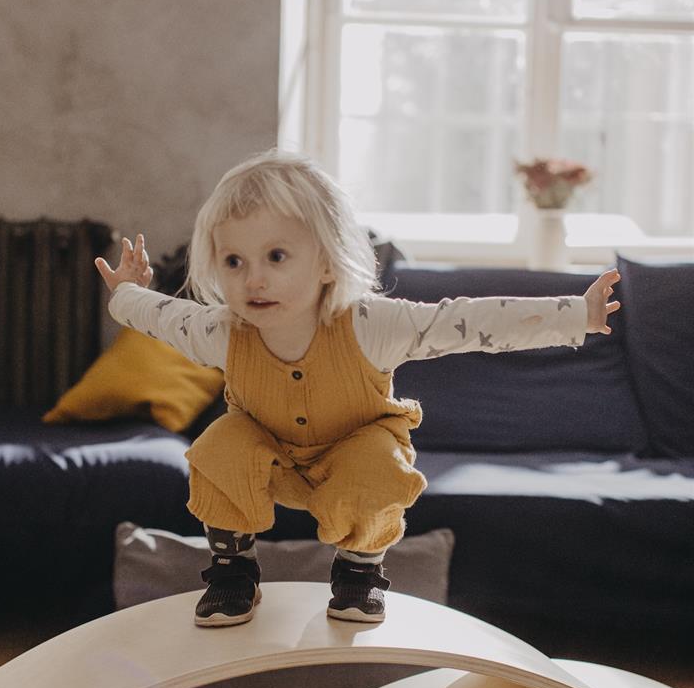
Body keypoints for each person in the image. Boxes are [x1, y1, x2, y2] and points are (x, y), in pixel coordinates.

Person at [95, 149, 620, 628]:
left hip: (355, 447)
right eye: (234, 262)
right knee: (218, 446)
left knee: (378, 468)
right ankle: (233, 571)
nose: (253, 280)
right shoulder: (223, 331)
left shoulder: (371, 324)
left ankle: (360, 571)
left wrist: (577, 314)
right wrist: (127, 295)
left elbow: (470, 321)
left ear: (326, 261)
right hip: (268, 450)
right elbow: (165, 316)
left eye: (276, 257)